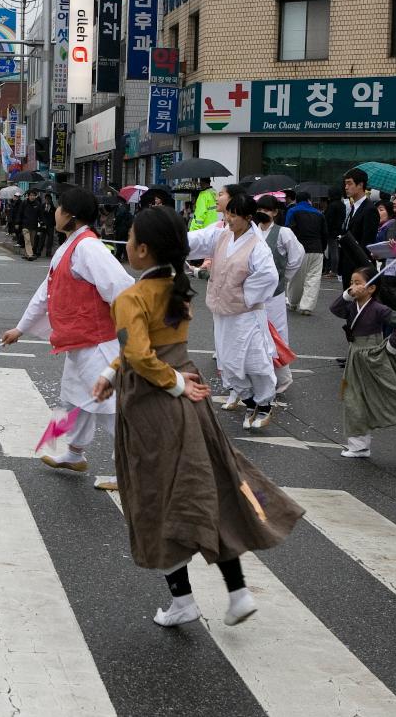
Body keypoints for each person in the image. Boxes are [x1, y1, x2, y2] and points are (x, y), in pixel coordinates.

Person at [92, 205, 304, 627]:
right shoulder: (177, 287)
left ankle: (183, 600)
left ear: (143, 250)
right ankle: (238, 591)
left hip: (153, 405)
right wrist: (112, 374)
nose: (127, 243)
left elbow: (137, 352)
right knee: (213, 484)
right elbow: (149, 349)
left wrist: (162, 381)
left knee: (153, 499)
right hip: (191, 399)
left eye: (131, 237)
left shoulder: (131, 298)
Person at [3, 186, 133, 477]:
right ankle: (75, 454)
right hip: (80, 340)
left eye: (59, 208)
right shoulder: (71, 245)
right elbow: (46, 292)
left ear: (71, 216)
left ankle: (132, 472)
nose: (55, 212)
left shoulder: (88, 247)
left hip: (98, 342)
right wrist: (20, 328)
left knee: (110, 408)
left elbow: (121, 287)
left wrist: (132, 330)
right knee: (76, 399)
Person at [187, 189, 280, 430]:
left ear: (248, 217)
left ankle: (265, 404)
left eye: (235, 216)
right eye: (228, 214)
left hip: (246, 314)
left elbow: (268, 276)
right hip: (223, 311)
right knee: (228, 362)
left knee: (253, 361)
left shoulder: (257, 244)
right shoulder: (222, 235)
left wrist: (244, 295)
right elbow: (197, 240)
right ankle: (249, 400)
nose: (229, 220)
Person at [330, 266, 396, 460]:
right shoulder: (351, 305)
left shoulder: (378, 308)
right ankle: (359, 445)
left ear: (371, 288)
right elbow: (335, 309)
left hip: (375, 354)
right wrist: (347, 295)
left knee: (395, 398)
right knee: (354, 398)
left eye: (357, 283)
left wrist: (391, 347)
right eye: (351, 283)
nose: (353, 287)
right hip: (355, 353)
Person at [254, 194, 304, 394]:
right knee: (256, 334)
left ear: (275, 212)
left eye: (267, 210)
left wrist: (283, 277)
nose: (263, 213)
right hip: (255, 293)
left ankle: (283, 376)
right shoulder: (252, 231)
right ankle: (262, 375)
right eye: (260, 209)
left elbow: (296, 257)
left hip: (274, 293)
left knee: (277, 334)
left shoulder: (284, 233)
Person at [285, 190, 327, 315]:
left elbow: (288, 231)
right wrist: (322, 248)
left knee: (297, 277)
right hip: (317, 249)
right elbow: (324, 234)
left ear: (297, 200)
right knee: (313, 278)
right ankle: (306, 306)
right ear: (309, 200)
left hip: (299, 249)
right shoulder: (319, 214)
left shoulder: (292, 211)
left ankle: (293, 302)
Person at [338, 168, 380, 287]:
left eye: (350, 183)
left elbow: (367, 243)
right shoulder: (353, 208)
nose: (346, 187)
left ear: (360, 185)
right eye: (345, 184)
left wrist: (360, 271)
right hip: (348, 264)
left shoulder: (369, 209)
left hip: (359, 269)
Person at [323, 184, 346, 277]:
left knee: (333, 250)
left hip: (331, 231)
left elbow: (328, 219)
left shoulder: (332, 205)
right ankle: (333, 269)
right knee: (335, 250)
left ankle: (333, 270)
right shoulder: (342, 205)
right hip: (339, 230)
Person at [18, 190, 41, 260]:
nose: (32, 197)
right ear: (28, 196)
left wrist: (42, 223)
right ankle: (30, 255)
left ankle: (26, 254)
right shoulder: (24, 203)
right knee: (27, 240)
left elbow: (40, 215)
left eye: (34, 195)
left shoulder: (37, 204)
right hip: (25, 225)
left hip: (34, 225)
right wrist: (17, 223)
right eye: (31, 195)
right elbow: (20, 213)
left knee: (31, 241)